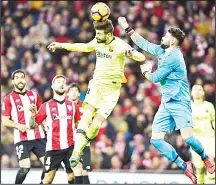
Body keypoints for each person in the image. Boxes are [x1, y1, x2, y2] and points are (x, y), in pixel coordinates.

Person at [118, 17, 215, 184]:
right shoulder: (163, 51)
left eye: (165, 36)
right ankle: (185, 166)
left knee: (188, 138)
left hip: (180, 101)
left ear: (172, 41)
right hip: (167, 102)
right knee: (155, 139)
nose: (162, 37)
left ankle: (206, 158)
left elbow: (155, 77)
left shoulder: (174, 57)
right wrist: (127, 28)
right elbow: (144, 44)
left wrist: (145, 71)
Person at [47, 19, 146, 171]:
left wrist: (130, 53)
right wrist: (61, 45)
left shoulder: (120, 45)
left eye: (99, 33)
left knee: (96, 124)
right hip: (97, 85)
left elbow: (141, 57)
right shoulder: (98, 41)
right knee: (86, 115)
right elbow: (84, 47)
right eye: (96, 33)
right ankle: (76, 152)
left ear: (109, 34)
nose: (97, 36)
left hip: (112, 90)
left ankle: (83, 143)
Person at [28, 75, 81, 184]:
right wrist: (32, 115)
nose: (61, 83)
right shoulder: (45, 106)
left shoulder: (73, 106)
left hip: (70, 147)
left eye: (63, 82)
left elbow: (77, 125)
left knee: (73, 177)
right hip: (53, 149)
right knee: (48, 180)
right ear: (52, 86)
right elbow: (33, 125)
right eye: (58, 82)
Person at [2, 69, 46, 184]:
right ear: (13, 82)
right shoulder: (8, 99)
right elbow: (5, 120)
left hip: (38, 136)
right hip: (22, 138)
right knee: (25, 167)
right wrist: (17, 125)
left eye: (22, 77)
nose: (20, 80)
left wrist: (46, 127)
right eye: (17, 78)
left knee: (49, 165)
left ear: (25, 80)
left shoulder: (35, 95)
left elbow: (41, 115)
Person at [191, 84, 215, 184]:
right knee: (199, 167)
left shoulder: (208, 106)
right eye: (195, 89)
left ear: (203, 93)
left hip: (209, 138)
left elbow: (214, 120)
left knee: (210, 160)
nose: (197, 91)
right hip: (195, 140)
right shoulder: (188, 107)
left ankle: (211, 182)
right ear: (191, 93)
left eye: (199, 89)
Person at [68, 83, 91, 184]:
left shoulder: (85, 106)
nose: (73, 92)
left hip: (84, 142)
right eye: (71, 90)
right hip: (69, 142)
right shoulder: (64, 107)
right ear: (67, 93)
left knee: (85, 171)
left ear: (79, 93)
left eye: (75, 90)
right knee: (72, 174)